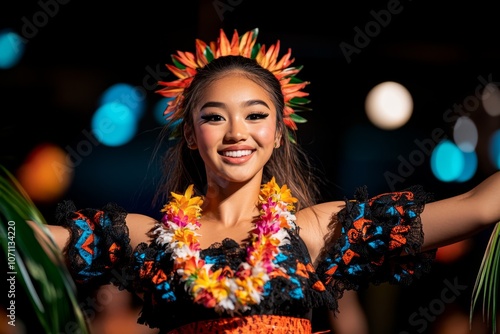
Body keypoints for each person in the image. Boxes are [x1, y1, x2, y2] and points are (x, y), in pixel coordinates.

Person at [36, 27, 500, 333]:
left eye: (255, 115)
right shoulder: (150, 240)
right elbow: (20, 237)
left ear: (278, 133)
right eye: (214, 117)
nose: (237, 132)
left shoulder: (315, 232)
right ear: (193, 136)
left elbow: (480, 207)